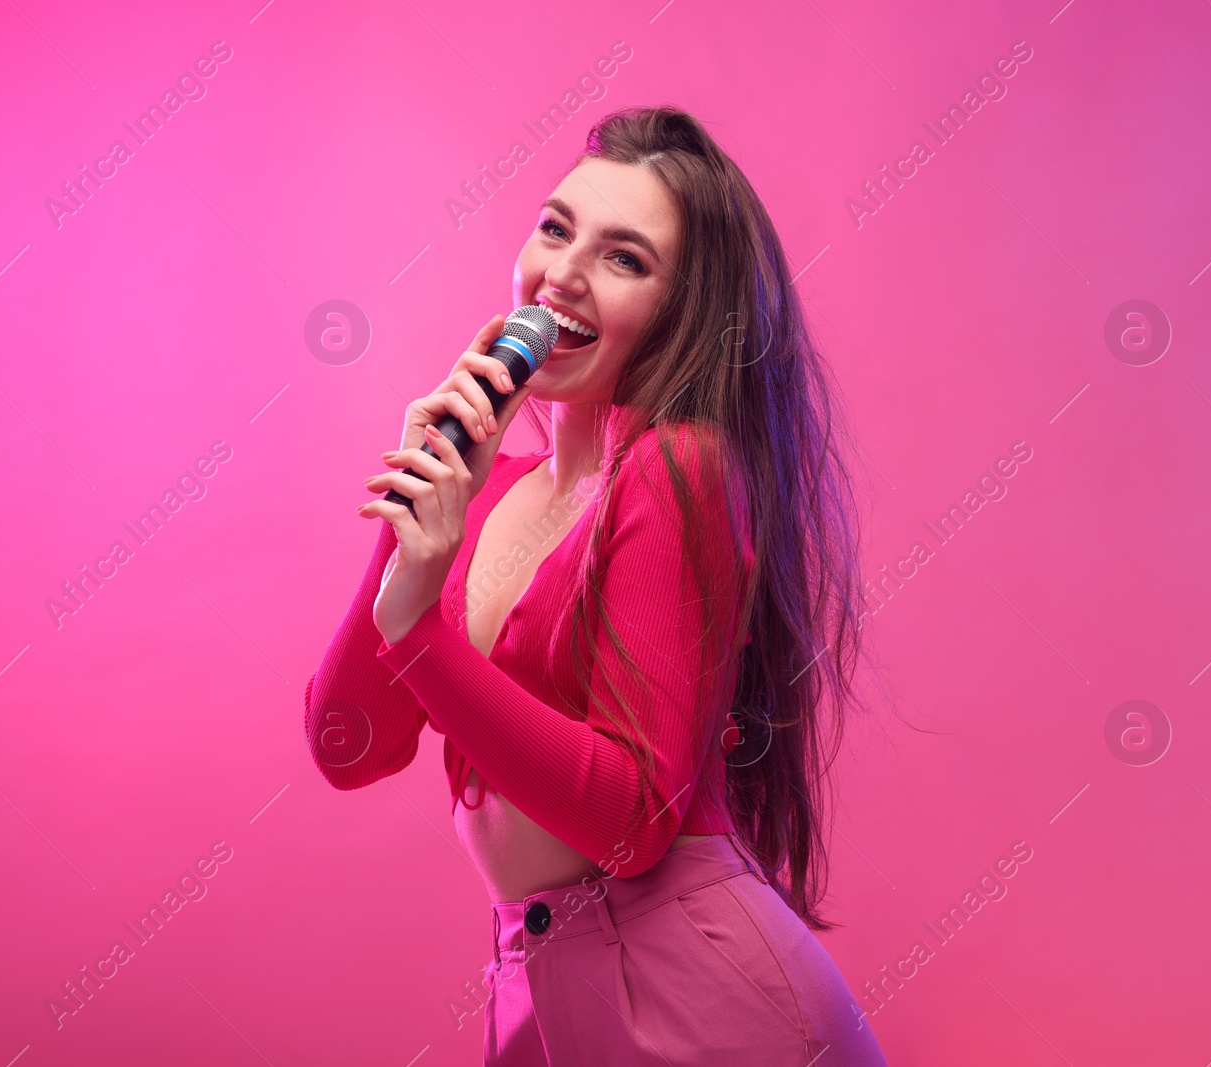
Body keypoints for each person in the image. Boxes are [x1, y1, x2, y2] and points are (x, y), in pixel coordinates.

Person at [306, 106, 888, 1066]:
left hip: (698, 1001)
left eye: (626, 260)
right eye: (555, 228)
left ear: (681, 313)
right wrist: (420, 515)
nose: (563, 274)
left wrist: (419, 633)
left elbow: (630, 822)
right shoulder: (487, 494)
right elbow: (347, 745)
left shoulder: (680, 469)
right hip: (534, 993)